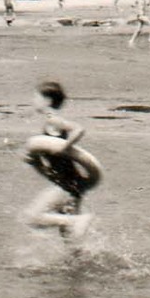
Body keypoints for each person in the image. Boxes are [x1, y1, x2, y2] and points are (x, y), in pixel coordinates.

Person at [22, 80, 101, 237]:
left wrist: (64, 147)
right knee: (69, 239)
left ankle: (77, 220)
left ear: (47, 101)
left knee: (31, 218)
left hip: (65, 185)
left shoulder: (53, 120)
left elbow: (79, 129)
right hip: (72, 184)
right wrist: (34, 161)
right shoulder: (51, 121)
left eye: (35, 97)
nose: (32, 101)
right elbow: (49, 165)